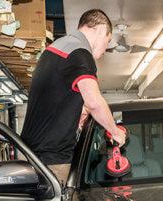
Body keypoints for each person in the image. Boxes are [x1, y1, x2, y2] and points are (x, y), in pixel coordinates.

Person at [21, 9, 125, 187]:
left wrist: (76, 113)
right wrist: (115, 132)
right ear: (100, 30)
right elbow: (94, 103)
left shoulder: (57, 48)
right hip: (52, 160)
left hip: (32, 153)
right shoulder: (80, 53)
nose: (101, 53)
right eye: (107, 42)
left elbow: (56, 98)